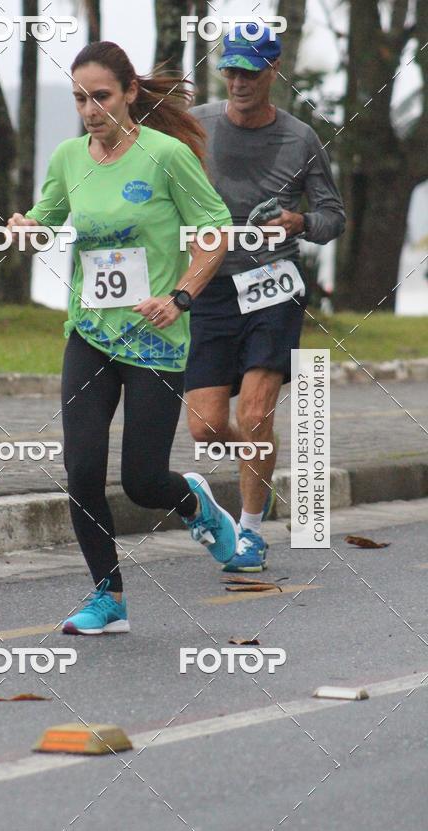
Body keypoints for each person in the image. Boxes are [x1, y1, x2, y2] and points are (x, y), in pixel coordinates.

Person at [8, 41, 239, 635]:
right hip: (90, 333)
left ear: (130, 93)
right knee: (82, 470)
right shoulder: (68, 157)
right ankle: (108, 598)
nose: (90, 110)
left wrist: (180, 295)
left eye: (101, 97)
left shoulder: (166, 156)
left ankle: (194, 501)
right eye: (80, 99)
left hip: (156, 338)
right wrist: (26, 230)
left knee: (142, 481)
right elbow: (47, 219)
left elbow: (214, 229)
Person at [186, 24, 346, 573]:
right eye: (231, 70)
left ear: (274, 71)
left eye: (250, 72)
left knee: (255, 414)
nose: (239, 82)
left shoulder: (300, 139)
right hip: (210, 286)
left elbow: (333, 218)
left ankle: (251, 529)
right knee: (206, 428)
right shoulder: (198, 126)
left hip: (273, 286)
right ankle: (258, 472)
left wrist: (299, 221)